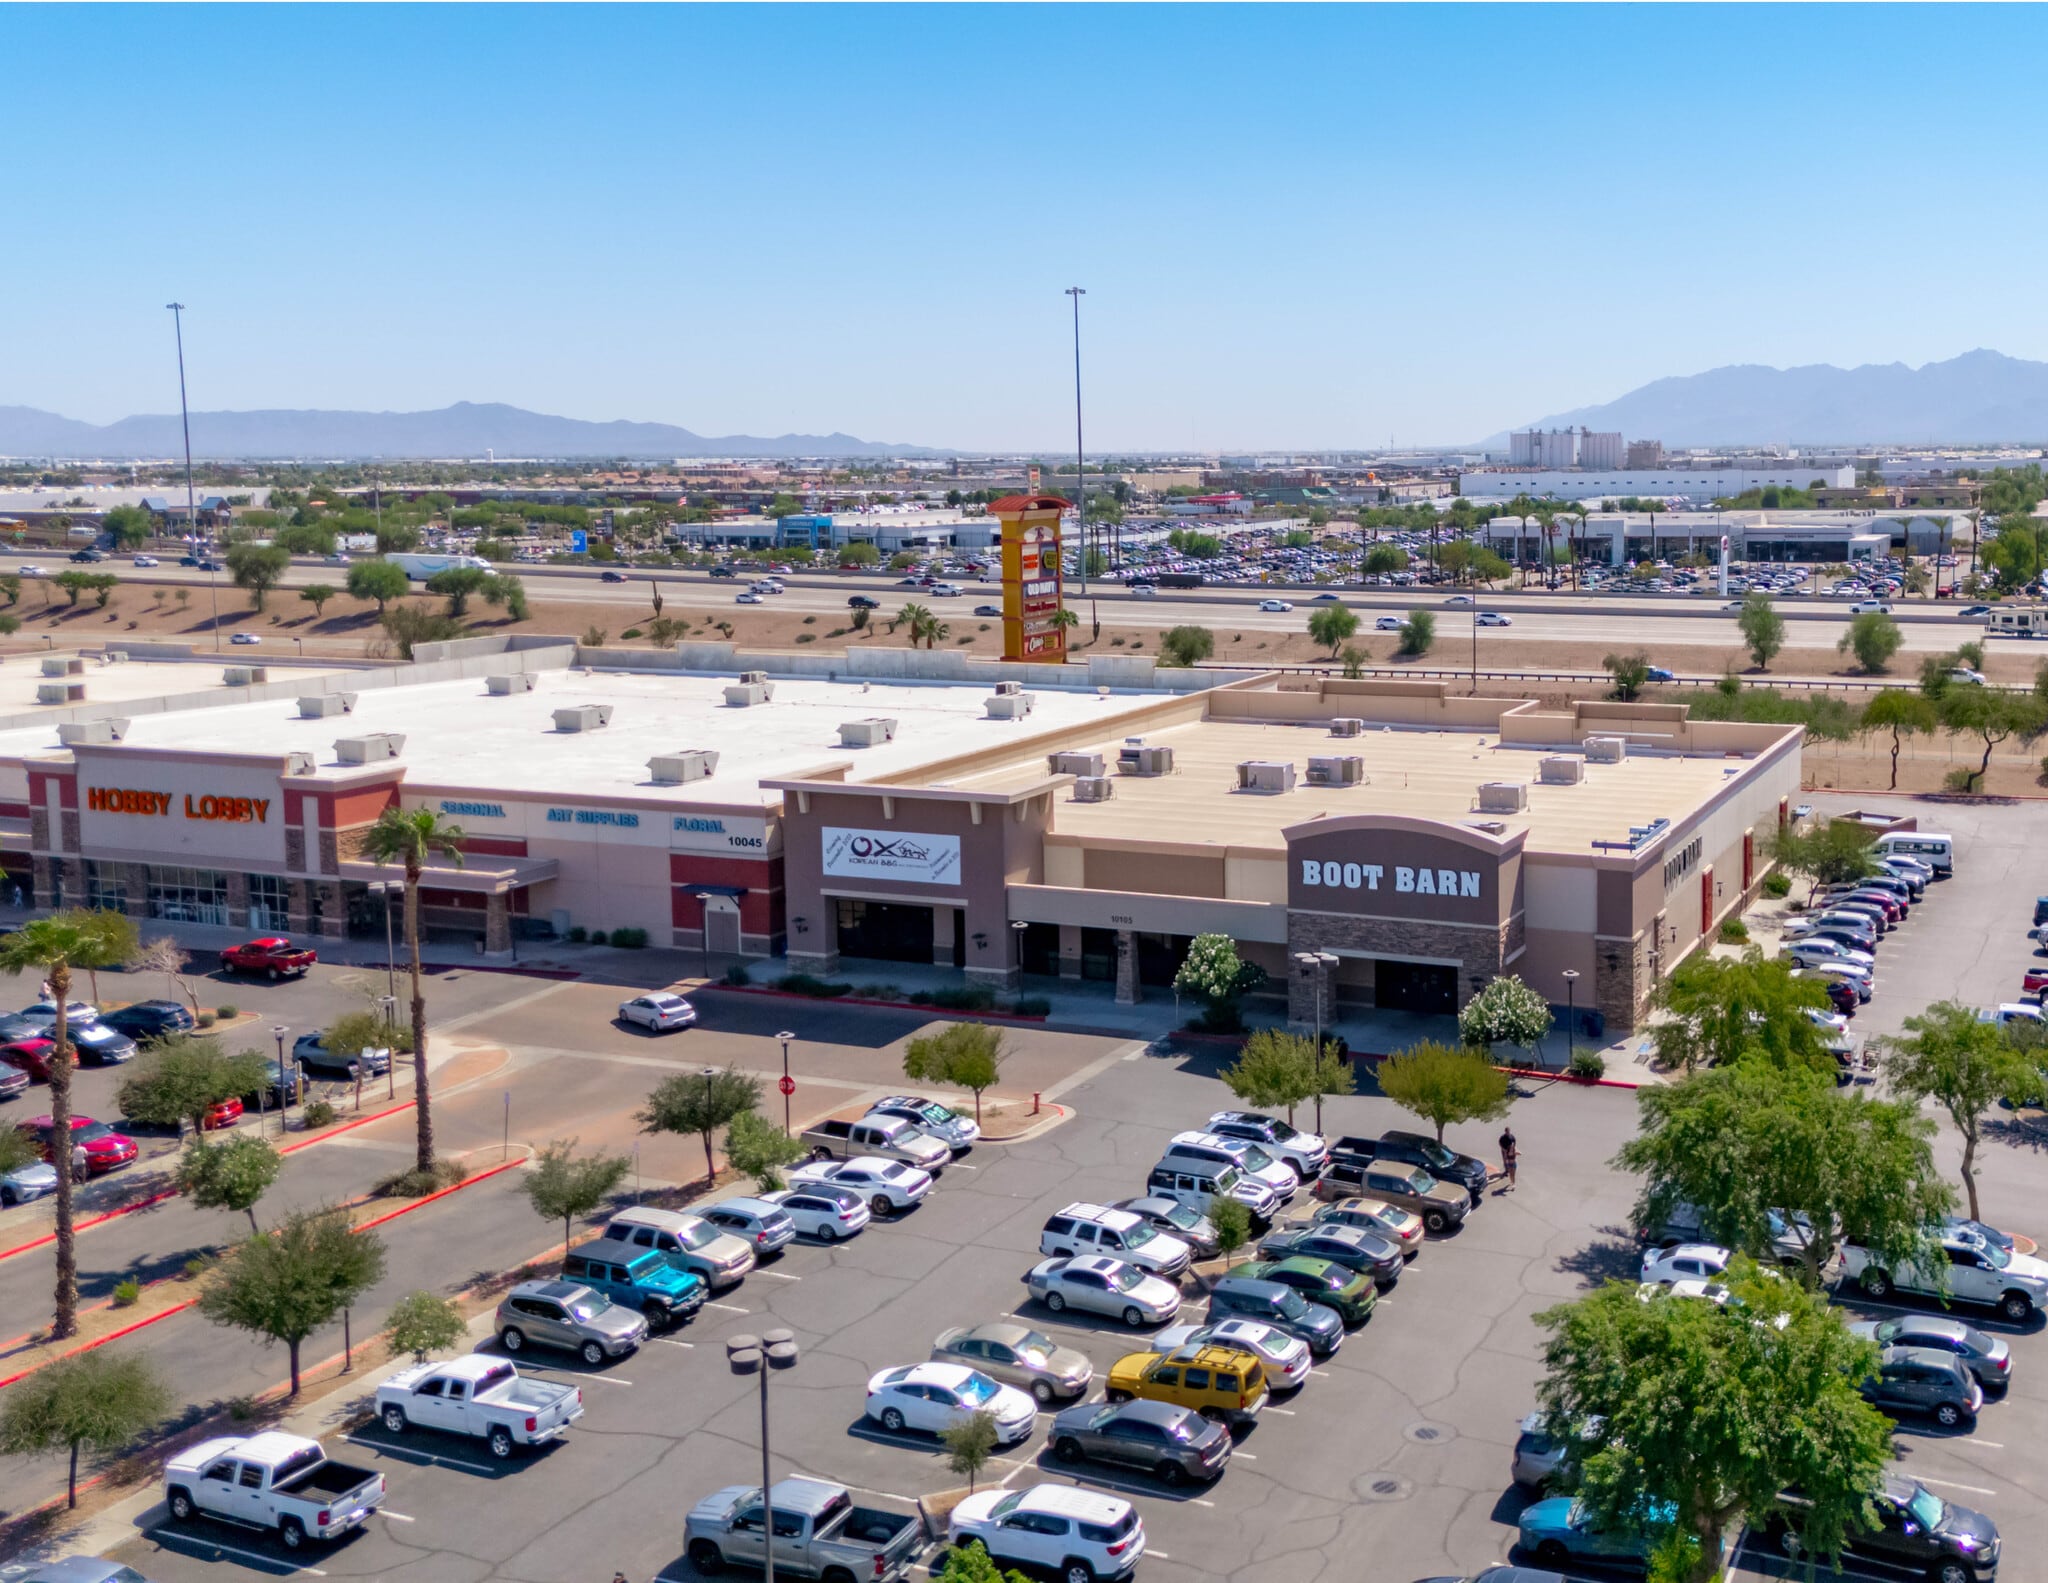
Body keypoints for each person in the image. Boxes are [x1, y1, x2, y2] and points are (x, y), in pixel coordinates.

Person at [1497, 1125, 1518, 1193]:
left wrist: (1514, 1149)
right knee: (1505, 1160)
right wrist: (1503, 1149)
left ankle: (1510, 1173)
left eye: (1509, 1131)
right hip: (1504, 1150)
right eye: (1507, 1131)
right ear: (1505, 1131)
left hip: (1510, 1151)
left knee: (1509, 1161)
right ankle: (1506, 1170)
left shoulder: (1512, 1137)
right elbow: (1499, 1143)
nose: (1508, 1132)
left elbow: (1514, 1142)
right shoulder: (1502, 1137)